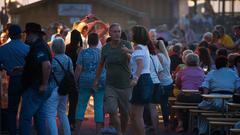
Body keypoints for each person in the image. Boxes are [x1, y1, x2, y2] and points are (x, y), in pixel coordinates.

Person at [93, 23, 133, 135]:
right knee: (111, 109)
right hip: (110, 85)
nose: (117, 34)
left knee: (125, 113)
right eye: (114, 31)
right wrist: (96, 80)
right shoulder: (105, 48)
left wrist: (128, 53)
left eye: (119, 31)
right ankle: (119, 132)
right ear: (110, 33)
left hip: (125, 85)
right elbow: (101, 64)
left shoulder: (126, 44)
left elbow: (133, 59)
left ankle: (123, 132)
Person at [19, 22, 52, 135]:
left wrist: (44, 84)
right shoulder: (41, 45)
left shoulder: (38, 46)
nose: (26, 36)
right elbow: (38, 65)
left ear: (33, 34)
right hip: (38, 87)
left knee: (25, 118)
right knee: (39, 118)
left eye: (27, 34)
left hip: (35, 87)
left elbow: (46, 65)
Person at [198, 56, 240, 135]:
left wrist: (204, 98)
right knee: (230, 111)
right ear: (227, 64)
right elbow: (238, 90)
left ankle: (203, 131)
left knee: (200, 108)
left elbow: (205, 89)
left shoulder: (211, 73)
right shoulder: (234, 73)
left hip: (215, 100)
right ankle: (223, 129)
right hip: (229, 102)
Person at [0, 24, 29, 135]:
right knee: (25, 109)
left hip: (13, 79)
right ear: (20, 34)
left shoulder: (3, 49)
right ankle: (23, 131)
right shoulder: (27, 48)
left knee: (12, 109)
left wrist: (5, 67)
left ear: (9, 34)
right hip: (26, 80)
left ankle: (12, 131)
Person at [75, 33, 106, 135]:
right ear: (97, 42)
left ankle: (77, 131)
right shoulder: (102, 53)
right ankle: (98, 132)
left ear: (88, 41)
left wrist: (75, 81)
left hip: (85, 81)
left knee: (81, 105)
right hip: (100, 81)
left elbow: (79, 68)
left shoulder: (83, 53)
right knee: (98, 106)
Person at [44, 37, 72, 135]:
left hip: (53, 89)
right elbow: (71, 73)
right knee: (62, 113)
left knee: (51, 114)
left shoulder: (53, 60)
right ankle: (67, 133)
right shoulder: (69, 59)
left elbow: (48, 74)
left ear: (53, 48)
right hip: (65, 90)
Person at [129, 25, 153, 135]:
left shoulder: (138, 48)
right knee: (135, 114)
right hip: (145, 79)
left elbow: (140, 65)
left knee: (136, 115)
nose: (130, 34)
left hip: (141, 80)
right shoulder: (143, 47)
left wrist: (135, 79)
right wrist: (129, 52)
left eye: (132, 32)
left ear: (136, 35)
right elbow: (138, 59)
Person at [175, 53, 204, 132]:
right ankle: (196, 123)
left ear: (186, 61)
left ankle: (180, 123)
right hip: (197, 97)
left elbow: (177, 84)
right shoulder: (201, 71)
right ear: (197, 61)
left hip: (185, 96)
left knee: (176, 102)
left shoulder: (182, 71)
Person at [65, 30, 82, 129]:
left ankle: (67, 120)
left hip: (68, 75)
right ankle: (72, 121)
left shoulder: (67, 47)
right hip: (77, 75)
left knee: (65, 100)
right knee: (74, 101)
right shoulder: (80, 49)